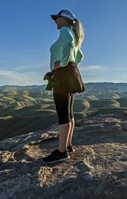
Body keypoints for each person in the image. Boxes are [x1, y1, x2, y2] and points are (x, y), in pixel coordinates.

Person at [43, 9, 85, 164]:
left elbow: (67, 44)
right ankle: (67, 145)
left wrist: (61, 64)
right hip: (70, 74)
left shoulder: (66, 32)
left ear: (65, 20)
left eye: (58, 18)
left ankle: (61, 152)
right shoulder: (75, 35)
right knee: (69, 112)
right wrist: (71, 65)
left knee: (62, 113)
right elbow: (80, 56)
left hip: (63, 74)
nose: (55, 21)